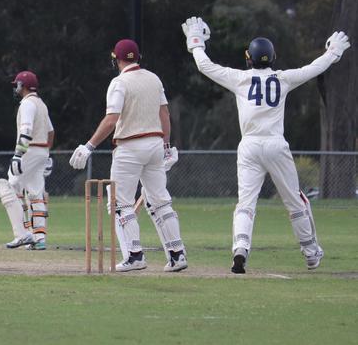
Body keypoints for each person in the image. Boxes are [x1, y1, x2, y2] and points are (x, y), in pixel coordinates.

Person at [182, 16, 350, 273]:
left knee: (245, 204)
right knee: (295, 201)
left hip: (248, 146)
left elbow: (205, 66)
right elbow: (314, 68)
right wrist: (333, 52)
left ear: (248, 57)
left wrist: (196, 42)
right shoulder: (283, 78)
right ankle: (310, 252)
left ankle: (240, 247)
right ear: (273, 57)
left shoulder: (240, 79)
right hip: (275, 144)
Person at [69, 39, 188, 273]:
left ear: (116, 59)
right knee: (161, 201)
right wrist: (166, 146)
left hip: (130, 147)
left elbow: (112, 119)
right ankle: (177, 254)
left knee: (119, 202)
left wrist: (89, 146)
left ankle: (134, 255)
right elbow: (164, 114)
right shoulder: (154, 79)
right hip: (155, 145)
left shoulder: (119, 82)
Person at [0, 71, 54, 250]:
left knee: (10, 186)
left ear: (23, 86)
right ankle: (39, 239)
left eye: (17, 85)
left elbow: (27, 129)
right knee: (36, 193)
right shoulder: (41, 104)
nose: (16, 88)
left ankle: (21, 234)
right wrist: (46, 153)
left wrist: (18, 155)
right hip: (41, 151)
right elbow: (51, 132)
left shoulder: (28, 104)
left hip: (28, 151)